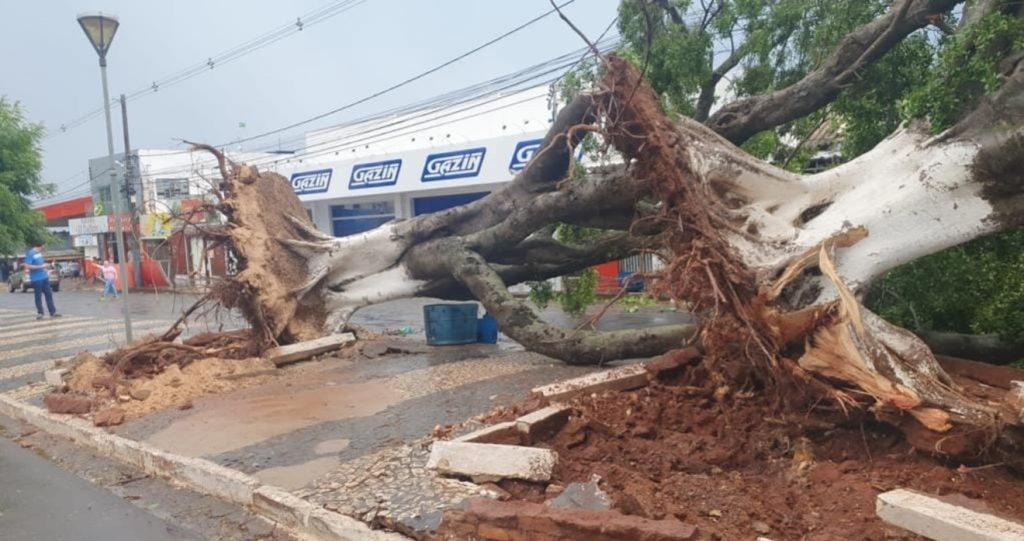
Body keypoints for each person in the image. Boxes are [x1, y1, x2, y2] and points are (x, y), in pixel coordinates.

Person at [24, 242, 61, 320]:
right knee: (38, 296)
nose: (44, 248)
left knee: (49, 295)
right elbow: (27, 266)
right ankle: (40, 313)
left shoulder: (39, 253)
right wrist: (41, 266)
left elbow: (41, 264)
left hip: (44, 277)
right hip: (36, 279)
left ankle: (52, 312)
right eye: (43, 246)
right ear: (40, 246)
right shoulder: (30, 253)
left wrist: (47, 266)